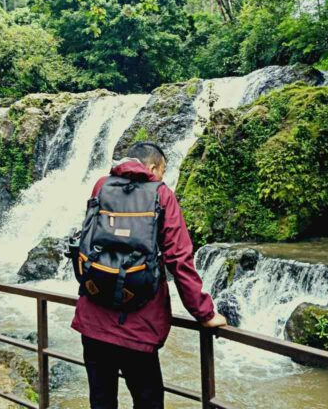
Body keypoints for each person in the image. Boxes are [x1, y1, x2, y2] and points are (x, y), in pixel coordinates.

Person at [71, 142, 226, 409]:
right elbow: (179, 259)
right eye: (162, 171)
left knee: (101, 400)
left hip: (93, 318)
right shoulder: (161, 194)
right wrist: (205, 313)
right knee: (148, 401)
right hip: (138, 325)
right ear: (153, 167)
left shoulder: (102, 186)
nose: (161, 178)